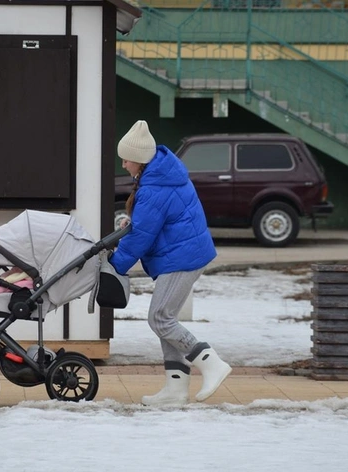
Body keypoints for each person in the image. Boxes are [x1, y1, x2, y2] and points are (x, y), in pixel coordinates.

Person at [109, 120, 232, 407]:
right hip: (180, 254)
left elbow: (142, 235)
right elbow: (147, 224)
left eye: (126, 159)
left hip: (183, 257)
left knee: (160, 318)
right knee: (166, 320)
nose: (124, 164)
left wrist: (117, 264)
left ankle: (211, 363)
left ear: (139, 159)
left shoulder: (156, 186)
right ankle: (176, 390)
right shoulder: (159, 175)